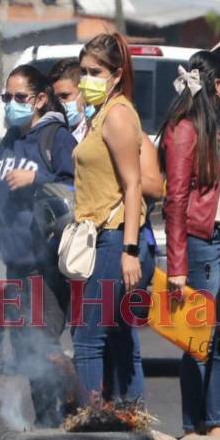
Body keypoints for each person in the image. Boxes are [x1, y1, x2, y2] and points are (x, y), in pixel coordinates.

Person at [0, 64, 76, 426]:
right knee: (25, 349)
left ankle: (78, 403)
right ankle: (47, 421)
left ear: (39, 99)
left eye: (20, 97)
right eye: (7, 97)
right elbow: (1, 193)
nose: (12, 104)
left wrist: (38, 178)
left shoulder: (56, 139)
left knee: (44, 345)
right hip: (15, 262)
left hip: (45, 263)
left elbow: (78, 188)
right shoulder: (9, 141)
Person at [161, 50, 220, 440]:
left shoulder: (217, 127)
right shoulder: (185, 129)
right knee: (199, 337)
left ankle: (214, 423)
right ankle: (194, 425)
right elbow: (175, 200)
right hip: (202, 244)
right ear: (215, 84)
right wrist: (177, 264)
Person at [71, 33, 155, 405]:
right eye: (83, 71)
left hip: (116, 239)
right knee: (120, 340)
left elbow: (134, 184)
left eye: (95, 72)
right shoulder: (100, 113)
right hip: (104, 239)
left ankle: (92, 424)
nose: (85, 79)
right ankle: (133, 427)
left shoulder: (118, 115)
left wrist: (129, 250)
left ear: (117, 75)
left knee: (87, 340)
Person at [49, 58, 92, 143]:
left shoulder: (97, 128)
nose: (60, 103)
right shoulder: (51, 135)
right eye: (55, 98)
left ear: (84, 93)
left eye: (64, 96)